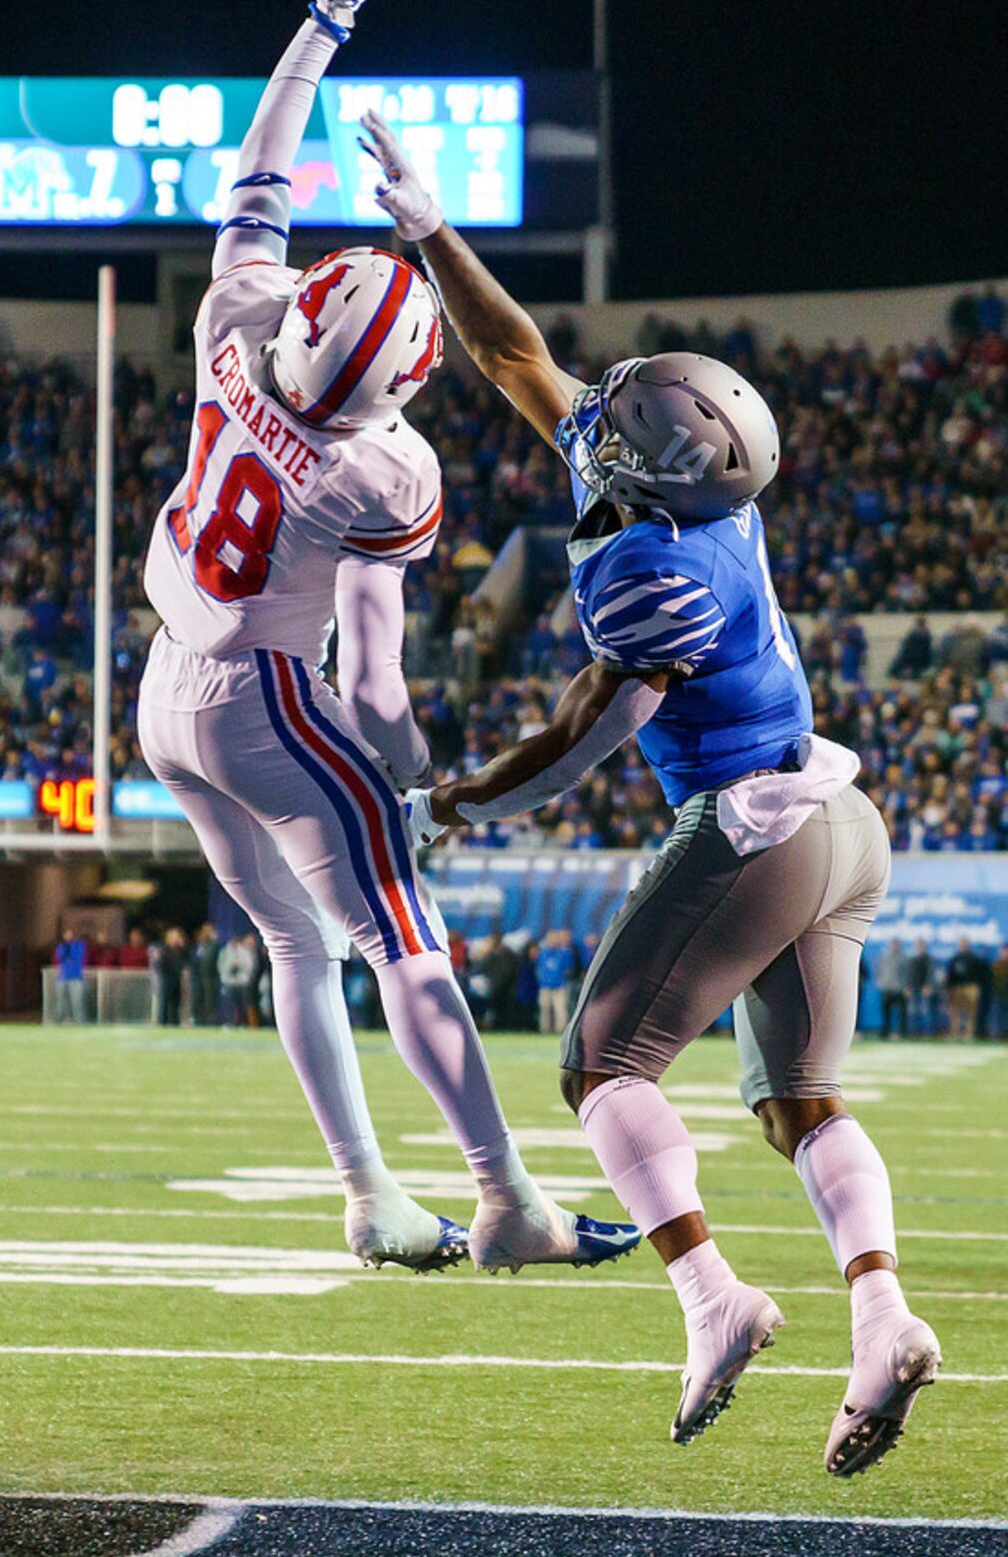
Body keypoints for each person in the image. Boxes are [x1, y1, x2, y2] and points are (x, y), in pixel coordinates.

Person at [374, 117, 938, 1478]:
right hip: (838, 819)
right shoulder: (697, 499)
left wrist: (457, 801)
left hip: (758, 823)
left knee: (599, 1066)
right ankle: (883, 1313)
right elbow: (514, 353)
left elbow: (583, 731)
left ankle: (713, 1297)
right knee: (797, 1099)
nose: (598, 405)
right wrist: (430, 230)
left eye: (620, 411)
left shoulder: (644, 567)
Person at [135, 0, 635, 1275]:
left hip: (162, 690)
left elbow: (259, 163)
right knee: (401, 936)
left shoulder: (235, 323)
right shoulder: (383, 464)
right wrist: (409, 783)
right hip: (265, 705)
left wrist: (326, 22)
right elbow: (373, 688)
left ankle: (368, 1193)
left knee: (295, 945)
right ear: (402, 388)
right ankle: (507, 1198)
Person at [535, 928, 576, 1038]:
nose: (553, 940)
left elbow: (568, 969)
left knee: (560, 1010)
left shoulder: (563, 953)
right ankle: (545, 1030)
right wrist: (542, 981)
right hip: (545, 986)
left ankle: (560, 1031)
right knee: (545, 1009)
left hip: (559, 985)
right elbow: (539, 968)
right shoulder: (543, 953)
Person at [944, 938, 986, 1041]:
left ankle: (969, 1034)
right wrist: (949, 988)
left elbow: (981, 975)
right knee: (955, 1012)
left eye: (965, 944)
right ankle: (954, 1034)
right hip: (957, 988)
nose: (963, 945)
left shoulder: (975, 959)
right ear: (959, 945)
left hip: (971, 987)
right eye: (961, 944)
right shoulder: (955, 959)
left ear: (968, 945)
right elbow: (950, 976)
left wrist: (977, 987)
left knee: (971, 1012)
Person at [874, 936, 911, 1040]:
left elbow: (907, 973)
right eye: (893, 943)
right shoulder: (884, 956)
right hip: (887, 988)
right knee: (886, 1013)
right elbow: (878, 969)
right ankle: (885, 1032)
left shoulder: (904, 957)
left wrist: (907, 986)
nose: (895, 946)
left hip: (900, 988)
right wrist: (880, 982)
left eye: (896, 944)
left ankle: (903, 1033)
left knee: (902, 1013)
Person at [217, 933, 256, 1027]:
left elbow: (249, 966)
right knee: (228, 1003)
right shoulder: (224, 951)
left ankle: (242, 1023)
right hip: (228, 982)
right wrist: (229, 967)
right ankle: (229, 1022)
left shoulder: (244, 952)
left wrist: (240, 967)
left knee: (242, 1004)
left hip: (241, 982)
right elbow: (220, 966)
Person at [52, 926, 87, 1023]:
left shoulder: (79, 945)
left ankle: (80, 1024)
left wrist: (68, 951)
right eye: (66, 933)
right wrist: (65, 950)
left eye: (70, 933)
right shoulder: (61, 946)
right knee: (60, 1005)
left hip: (76, 978)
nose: (68, 935)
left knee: (77, 1004)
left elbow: (77, 957)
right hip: (62, 978)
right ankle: (60, 1023)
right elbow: (59, 958)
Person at [191, 923, 221, 1026]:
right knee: (197, 999)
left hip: (210, 977)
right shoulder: (199, 945)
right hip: (198, 976)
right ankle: (197, 1020)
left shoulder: (214, 945)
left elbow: (213, 958)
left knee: (210, 1001)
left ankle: (209, 1021)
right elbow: (194, 959)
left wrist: (214, 939)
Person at [157, 927, 189, 1026]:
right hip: (167, 979)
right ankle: (162, 1022)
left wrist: (182, 946)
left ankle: (175, 1022)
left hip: (177, 979)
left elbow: (186, 961)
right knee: (165, 1001)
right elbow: (161, 965)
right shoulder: (164, 950)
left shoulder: (181, 951)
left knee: (176, 1002)